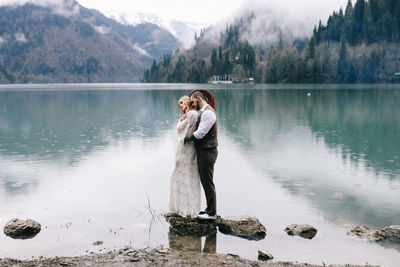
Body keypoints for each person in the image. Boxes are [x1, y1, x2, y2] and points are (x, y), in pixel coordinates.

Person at [185, 89, 218, 220]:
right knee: (205, 181)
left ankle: (212, 213)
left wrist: (186, 139)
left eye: (192, 101)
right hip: (204, 150)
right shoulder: (202, 112)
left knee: (208, 181)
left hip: (208, 151)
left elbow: (200, 134)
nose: (192, 104)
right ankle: (209, 209)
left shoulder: (209, 113)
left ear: (199, 98)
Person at [169, 96, 201, 217]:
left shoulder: (190, 115)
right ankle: (186, 208)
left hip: (188, 148)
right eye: (178, 104)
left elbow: (179, 128)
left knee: (181, 175)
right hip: (189, 147)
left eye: (181, 102)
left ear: (187, 102)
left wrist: (180, 120)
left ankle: (185, 209)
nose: (180, 105)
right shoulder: (192, 114)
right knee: (187, 175)